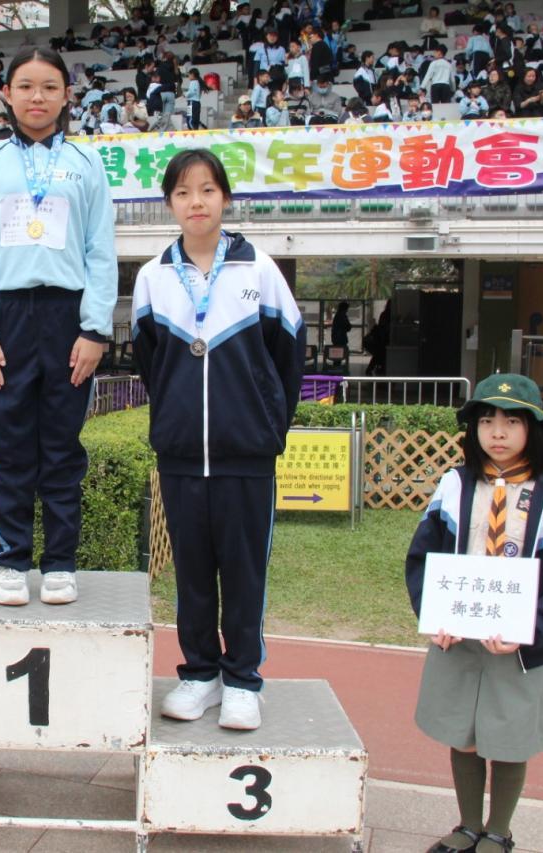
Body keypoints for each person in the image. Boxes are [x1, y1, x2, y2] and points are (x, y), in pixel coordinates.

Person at [131, 149, 304, 731]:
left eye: (207, 190)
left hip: (245, 455)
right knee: (193, 572)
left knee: (244, 572)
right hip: (182, 455)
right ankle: (200, 674)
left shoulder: (260, 271)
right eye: (183, 192)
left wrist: (265, 427)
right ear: (169, 203)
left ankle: (243, 680)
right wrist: (175, 419)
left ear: (225, 197)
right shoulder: (153, 277)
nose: (196, 202)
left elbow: (288, 357)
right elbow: (151, 364)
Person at [0, 46, 118, 608]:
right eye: (25, 86)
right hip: (4, 319)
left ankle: (61, 562)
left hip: (68, 317)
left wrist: (94, 330)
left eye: (49, 86)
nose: (37, 97)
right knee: (10, 444)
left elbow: (101, 251)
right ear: (7, 94)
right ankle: (12, 561)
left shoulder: (87, 164)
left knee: (63, 446)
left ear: (67, 94)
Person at [405, 374, 543, 853]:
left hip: (517, 646)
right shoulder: (454, 485)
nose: (498, 432)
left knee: (509, 739)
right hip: (459, 638)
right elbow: (423, 558)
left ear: (534, 429)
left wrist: (531, 630)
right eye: (486, 421)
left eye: (512, 421)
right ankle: (469, 826)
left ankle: (498, 832)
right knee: (463, 734)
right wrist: (433, 613)